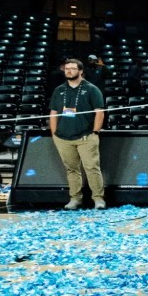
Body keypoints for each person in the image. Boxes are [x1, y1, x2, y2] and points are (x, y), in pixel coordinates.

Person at [48, 58, 106, 210]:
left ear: (80, 71)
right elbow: (53, 113)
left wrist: (95, 132)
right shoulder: (59, 90)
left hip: (86, 136)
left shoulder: (92, 89)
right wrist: (54, 134)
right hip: (63, 137)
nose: (69, 71)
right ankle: (75, 199)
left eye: (73, 68)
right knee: (71, 169)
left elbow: (100, 112)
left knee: (92, 168)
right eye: (67, 68)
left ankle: (98, 199)